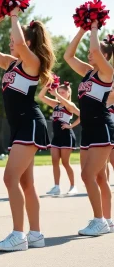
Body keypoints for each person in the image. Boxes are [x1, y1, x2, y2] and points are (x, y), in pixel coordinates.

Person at [0, 7, 55, 250]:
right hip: (20, 127)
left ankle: (18, 235)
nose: (11, 44)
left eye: (15, 40)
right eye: (10, 41)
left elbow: (21, 46)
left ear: (28, 41)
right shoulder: (11, 64)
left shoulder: (32, 62)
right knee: (26, 184)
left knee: (9, 178)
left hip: (29, 123)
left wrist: (13, 15)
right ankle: (36, 235)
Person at [64, 22, 114, 235]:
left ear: (105, 56)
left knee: (87, 175)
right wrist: (82, 30)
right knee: (99, 177)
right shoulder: (87, 72)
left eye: (96, 54)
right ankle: (108, 220)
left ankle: (99, 220)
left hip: (102, 127)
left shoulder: (107, 72)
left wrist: (94, 26)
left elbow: (94, 49)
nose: (90, 55)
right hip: (88, 130)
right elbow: (68, 55)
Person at [38, 82, 80, 195]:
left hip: (67, 136)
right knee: (55, 161)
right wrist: (46, 87)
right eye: (59, 92)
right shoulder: (56, 104)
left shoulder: (69, 105)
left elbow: (82, 115)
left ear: (68, 93)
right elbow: (40, 97)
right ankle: (56, 187)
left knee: (66, 162)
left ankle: (73, 186)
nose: (60, 94)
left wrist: (71, 125)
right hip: (56, 137)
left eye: (62, 92)